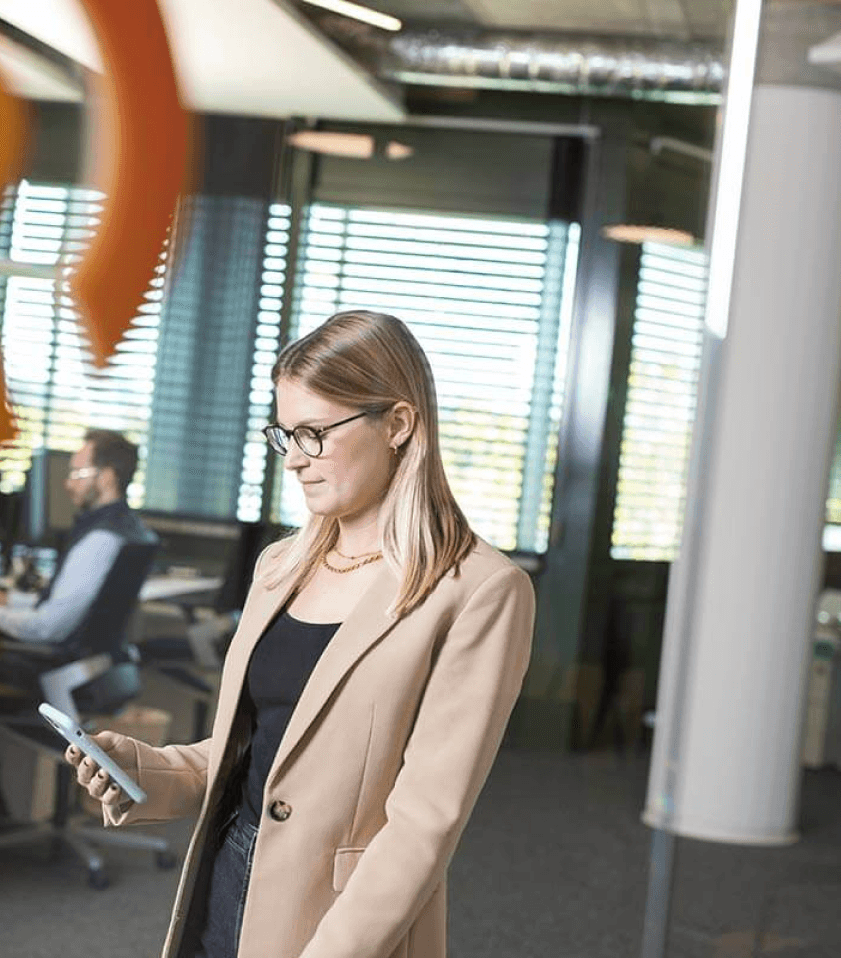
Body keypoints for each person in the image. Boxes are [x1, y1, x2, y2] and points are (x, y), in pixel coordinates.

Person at [66, 311, 536, 958]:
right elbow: (252, 757)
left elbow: (425, 823)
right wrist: (144, 770)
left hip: (343, 920)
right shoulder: (281, 567)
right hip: (228, 877)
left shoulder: (478, 590)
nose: (293, 460)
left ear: (398, 424)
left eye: (313, 434)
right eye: (284, 435)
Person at [0, 429, 156, 687]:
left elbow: (49, 627)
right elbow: (72, 606)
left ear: (105, 478)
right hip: (92, 664)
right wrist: (7, 599)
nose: (68, 483)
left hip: (57, 666)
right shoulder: (129, 530)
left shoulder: (100, 540)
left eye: (77, 474)